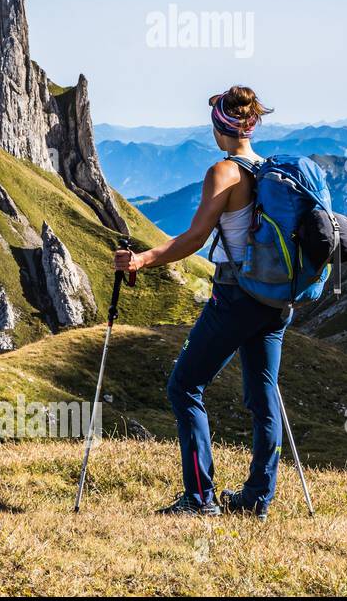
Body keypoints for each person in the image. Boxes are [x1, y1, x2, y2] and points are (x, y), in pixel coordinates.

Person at [114, 86, 284, 520]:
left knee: (184, 386)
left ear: (219, 127)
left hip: (235, 295)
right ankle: (256, 500)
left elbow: (194, 237)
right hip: (275, 299)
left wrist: (142, 259)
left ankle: (199, 498)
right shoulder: (269, 169)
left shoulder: (223, 173)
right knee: (264, 398)